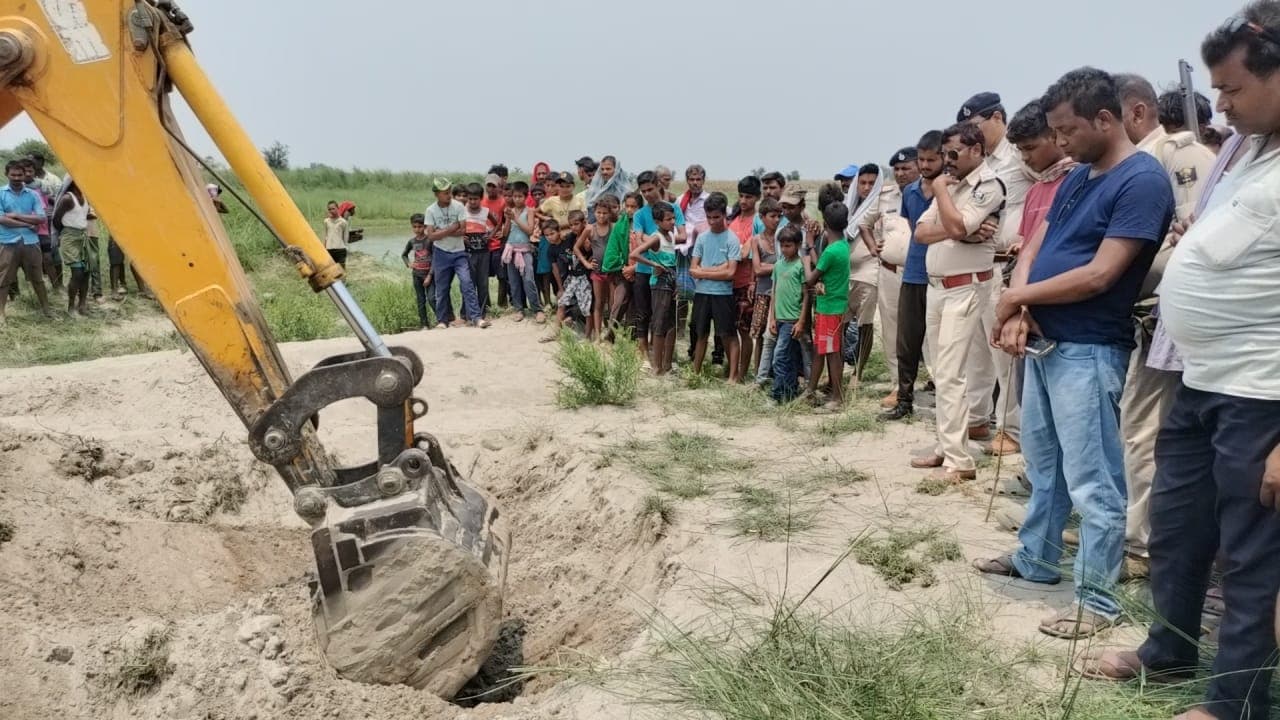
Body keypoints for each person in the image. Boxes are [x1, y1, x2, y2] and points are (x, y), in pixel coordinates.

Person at [1082, 10, 1280, 717]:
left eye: (1231, 88)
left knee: (1252, 556)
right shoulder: (1248, 152)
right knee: (1177, 525)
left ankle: (1236, 702)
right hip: (1199, 379)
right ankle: (1168, 650)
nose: (1217, 104)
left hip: (1262, 394)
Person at [974, 67, 1174, 642]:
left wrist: (1015, 296)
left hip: (1088, 346)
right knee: (1045, 465)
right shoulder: (1081, 176)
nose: (1059, 143)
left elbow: (1101, 273)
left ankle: (1097, 599)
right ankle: (1035, 558)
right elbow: (1040, 244)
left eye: (1068, 131)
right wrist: (1024, 307)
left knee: (1094, 479)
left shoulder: (1142, 180)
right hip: (1044, 338)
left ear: (1106, 119)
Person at [1113, 72, 1217, 578]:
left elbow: (1195, 235)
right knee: (1140, 426)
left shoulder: (1180, 153)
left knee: (1146, 427)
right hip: (1148, 316)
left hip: (1169, 316)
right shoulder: (1138, 161)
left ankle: (1143, 545)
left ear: (1135, 112)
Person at [909, 122, 1006, 482]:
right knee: (938, 371)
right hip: (938, 287)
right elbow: (922, 232)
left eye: (954, 154)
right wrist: (955, 226)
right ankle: (946, 444)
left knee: (952, 372)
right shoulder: (952, 186)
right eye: (945, 154)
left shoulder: (988, 185)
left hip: (965, 288)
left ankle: (958, 459)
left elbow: (958, 226)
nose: (947, 161)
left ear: (977, 150)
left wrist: (943, 201)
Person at [992, 100, 1078, 459]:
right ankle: (1037, 473)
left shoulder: (1076, 182)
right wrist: (1017, 310)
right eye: (1020, 151)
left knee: (1068, 412)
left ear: (1055, 137)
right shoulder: (1037, 189)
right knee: (1034, 404)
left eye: (1030, 148)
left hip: (1063, 318)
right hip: (1029, 317)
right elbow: (1027, 254)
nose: (1025, 158)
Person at [958, 90, 1035, 454]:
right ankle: (977, 416)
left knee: (1003, 351)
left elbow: (1045, 194)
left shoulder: (1020, 155)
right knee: (976, 348)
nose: (972, 134)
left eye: (977, 126)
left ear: (998, 119)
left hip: (1009, 265)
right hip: (977, 264)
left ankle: (1012, 429)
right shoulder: (978, 163)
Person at [883, 131, 944, 422]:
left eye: (932, 159)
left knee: (941, 345)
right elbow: (912, 226)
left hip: (940, 275)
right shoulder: (910, 193)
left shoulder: (951, 190)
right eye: (922, 159)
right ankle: (904, 400)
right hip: (914, 273)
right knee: (906, 341)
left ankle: (947, 405)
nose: (926, 165)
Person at [859, 148, 917, 408]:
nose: (902, 173)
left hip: (925, 273)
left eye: (907, 168)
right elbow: (863, 223)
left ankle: (937, 383)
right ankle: (898, 384)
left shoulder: (932, 192)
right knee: (893, 329)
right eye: (898, 169)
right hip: (892, 271)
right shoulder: (885, 196)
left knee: (927, 330)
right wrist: (873, 247)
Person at [633, 172, 688, 365]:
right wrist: (658, 238)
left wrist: (656, 239)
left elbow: (682, 236)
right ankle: (644, 355)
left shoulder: (672, 209)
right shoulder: (640, 214)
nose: (647, 194)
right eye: (644, 191)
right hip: (644, 270)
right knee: (643, 313)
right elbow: (638, 240)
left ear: (658, 186)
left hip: (668, 272)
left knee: (666, 317)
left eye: (650, 189)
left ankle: (664, 359)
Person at [803, 201, 852, 412]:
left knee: (831, 352)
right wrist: (813, 246)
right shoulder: (841, 247)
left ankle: (837, 398)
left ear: (825, 223)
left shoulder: (832, 252)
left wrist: (806, 260)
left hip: (830, 308)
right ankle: (811, 391)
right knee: (822, 350)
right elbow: (823, 263)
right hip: (832, 306)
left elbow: (811, 279)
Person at [690, 193, 741, 377]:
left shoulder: (732, 240)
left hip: (723, 295)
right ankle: (695, 372)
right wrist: (719, 269)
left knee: (727, 334)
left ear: (724, 215)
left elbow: (731, 273)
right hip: (702, 293)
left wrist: (705, 272)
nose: (712, 221)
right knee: (700, 333)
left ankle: (733, 375)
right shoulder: (702, 238)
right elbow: (693, 269)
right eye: (709, 217)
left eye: (716, 217)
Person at [426, 177, 485, 329]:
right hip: (441, 253)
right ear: (437, 194)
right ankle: (442, 320)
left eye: (449, 191)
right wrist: (451, 229)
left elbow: (463, 230)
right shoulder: (430, 210)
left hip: (459, 252)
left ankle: (476, 317)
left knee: (467, 283)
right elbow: (431, 236)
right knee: (442, 288)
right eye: (445, 193)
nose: (449, 195)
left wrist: (442, 232)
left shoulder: (458, 206)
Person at [630, 201, 679, 375]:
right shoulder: (656, 237)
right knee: (659, 324)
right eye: (668, 219)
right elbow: (634, 254)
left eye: (673, 218)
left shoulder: (671, 236)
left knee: (671, 324)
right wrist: (654, 264)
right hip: (659, 283)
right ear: (658, 222)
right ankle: (657, 366)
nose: (672, 222)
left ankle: (668, 364)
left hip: (671, 280)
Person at [0, 159, 50, 322]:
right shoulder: (1, 193)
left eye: (19, 174)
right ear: (6, 174)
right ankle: (1, 315)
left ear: (24, 175)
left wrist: (15, 215)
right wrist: (27, 224)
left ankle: (46, 310)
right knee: (4, 280)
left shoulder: (33, 194)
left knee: (37, 279)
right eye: (13, 174)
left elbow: (41, 218)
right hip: (7, 243)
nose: (16, 178)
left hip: (30, 242)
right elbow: (1, 219)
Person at [845, 164, 881, 382]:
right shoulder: (848, 206)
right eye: (863, 182)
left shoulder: (881, 208)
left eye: (871, 183)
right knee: (841, 323)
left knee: (864, 325)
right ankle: (838, 367)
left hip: (869, 273)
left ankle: (858, 374)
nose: (866, 188)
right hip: (846, 273)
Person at [728, 176, 764, 382]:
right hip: (728, 281)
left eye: (748, 197)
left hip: (746, 282)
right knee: (729, 328)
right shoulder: (733, 220)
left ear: (757, 198)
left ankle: (742, 374)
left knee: (745, 330)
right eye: (741, 196)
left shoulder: (757, 222)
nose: (743, 201)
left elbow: (745, 253)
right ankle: (733, 369)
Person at [768, 225, 808, 403]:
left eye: (788, 246)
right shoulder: (778, 265)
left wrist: (801, 321)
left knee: (779, 357)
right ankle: (789, 393)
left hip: (793, 319)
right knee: (787, 358)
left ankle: (777, 394)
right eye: (782, 246)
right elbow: (774, 292)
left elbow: (807, 295)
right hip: (780, 319)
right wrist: (772, 318)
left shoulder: (800, 266)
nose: (785, 249)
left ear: (798, 245)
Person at [579, 193, 620, 340]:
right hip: (597, 272)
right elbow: (577, 248)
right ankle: (597, 335)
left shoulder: (614, 227)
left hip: (612, 272)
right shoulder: (590, 229)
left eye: (605, 213)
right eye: (598, 212)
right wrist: (586, 263)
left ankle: (610, 335)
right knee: (598, 303)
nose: (601, 215)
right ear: (594, 213)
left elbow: (621, 247)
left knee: (612, 303)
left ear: (610, 213)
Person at [750, 198, 781, 386]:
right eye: (772, 216)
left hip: (781, 293)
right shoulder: (756, 240)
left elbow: (762, 267)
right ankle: (758, 373)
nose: (776, 220)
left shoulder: (783, 238)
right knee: (760, 334)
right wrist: (779, 266)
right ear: (762, 217)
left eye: (779, 216)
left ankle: (774, 372)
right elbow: (757, 269)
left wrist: (766, 266)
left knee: (778, 334)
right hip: (763, 292)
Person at [52, 180, 90, 316]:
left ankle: (82, 304)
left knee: (86, 272)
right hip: (70, 236)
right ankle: (70, 307)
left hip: (83, 235)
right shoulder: (68, 198)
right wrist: (65, 233)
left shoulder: (85, 196)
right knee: (77, 272)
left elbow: (82, 215)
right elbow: (56, 219)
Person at [463, 182, 501, 319]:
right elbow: (456, 226)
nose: (472, 202)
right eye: (470, 199)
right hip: (468, 253)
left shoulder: (485, 211)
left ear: (481, 198)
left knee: (483, 283)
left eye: (475, 199)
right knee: (469, 283)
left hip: (484, 252)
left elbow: (497, 224)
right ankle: (469, 313)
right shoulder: (462, 211)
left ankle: (483, 312)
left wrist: (490, 236)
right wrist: (462, 236)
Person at [503, 202, 544, 323]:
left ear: (525, 197)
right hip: (511, 249)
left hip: (525, 250)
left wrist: (515, 218)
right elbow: (505, 233)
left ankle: (537, 309)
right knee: (514, 281)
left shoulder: (529, 211)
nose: (517, 199)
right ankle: (518, 309)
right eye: (514, 196)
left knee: (528, 279)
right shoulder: (510, 211)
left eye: (520, 196)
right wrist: (507, 219)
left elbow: (530, 231)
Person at [481, 173, 509, 310]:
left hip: (498, 245)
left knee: (502, 276)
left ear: (499, 187)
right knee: (483, 276)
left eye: (494, 186)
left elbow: (505, 222)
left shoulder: (503, 202)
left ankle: (502, 304)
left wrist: (502, 232)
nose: (491, 189)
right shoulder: (481, 201)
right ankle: (486, 305)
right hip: (484, 245)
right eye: (489, 185)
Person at [400, 213, 434, 330]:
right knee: (420, 300)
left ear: (424, 227)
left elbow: (435, 259)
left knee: (432, 298)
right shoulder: (412, 242)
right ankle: (424, 324)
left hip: (429, 275)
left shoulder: (430, 240)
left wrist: (430, 276)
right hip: (417, 275)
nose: (417, 229)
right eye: (414, 227)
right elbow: (404, 255)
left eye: (419, 227)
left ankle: (441, 319)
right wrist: (409, 264)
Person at [322, 201, 349, 269]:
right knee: (331, 272)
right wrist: (324, 248)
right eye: (329, 209)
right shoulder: (326, 221)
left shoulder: (343, 222)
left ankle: (342, 280)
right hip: (329, 250)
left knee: (341, 271)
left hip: (340, 250)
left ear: (338, 208)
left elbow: (345, 238)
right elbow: (325, 236)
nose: (331, 211)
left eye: (333, 208)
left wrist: (346, 248)